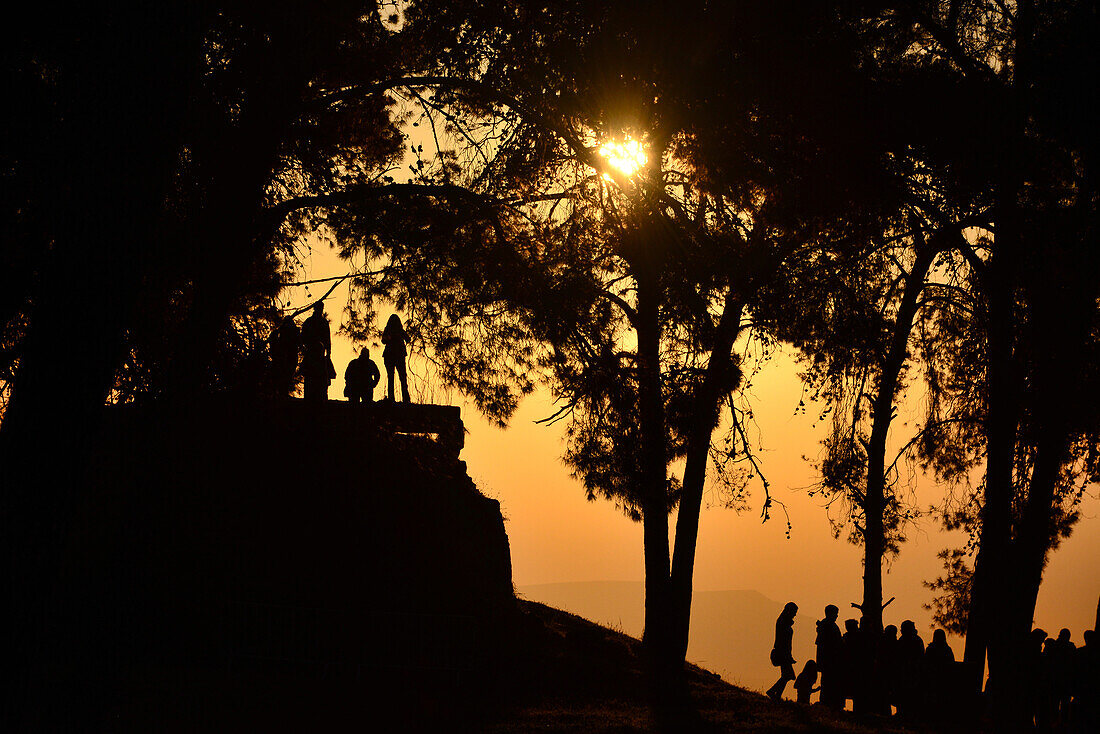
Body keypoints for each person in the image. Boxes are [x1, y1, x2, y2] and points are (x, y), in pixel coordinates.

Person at [300, 302, 334, 402]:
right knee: (311, 377)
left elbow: (327, 338)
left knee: (320, 378)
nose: (321, 309)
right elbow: (303, 338)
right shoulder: (311, 322)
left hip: (319, 353)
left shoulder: (319, 322)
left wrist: (328, 353)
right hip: (312, 353)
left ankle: (320, 398)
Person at [767, 602, 798, 701]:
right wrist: (788, 656)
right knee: (788, 675)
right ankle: (773, 692)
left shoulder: (782, 621)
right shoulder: (783, 623)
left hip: (784, 653)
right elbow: (784, 641)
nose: (795, 614)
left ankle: (776, 694)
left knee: (787, 675)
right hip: (783, 653)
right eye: (794, 612)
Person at [816, 605, 844, 709]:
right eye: (835, 614)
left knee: (827, 681)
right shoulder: (829, 626)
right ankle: (827, 702)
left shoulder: (826, 625)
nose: (837, 616)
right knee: (828, 682)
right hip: (829, 660)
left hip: (828, 660)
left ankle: (826, 702)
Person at [381, 313, 411, 402]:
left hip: (390, 356)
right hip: (398, 356)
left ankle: (392, 398)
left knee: (391, 377)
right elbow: (408, 339)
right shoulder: (399, 330)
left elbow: (383, 341)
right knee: (402, 377)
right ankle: (405, 398)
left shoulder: (388, 330)